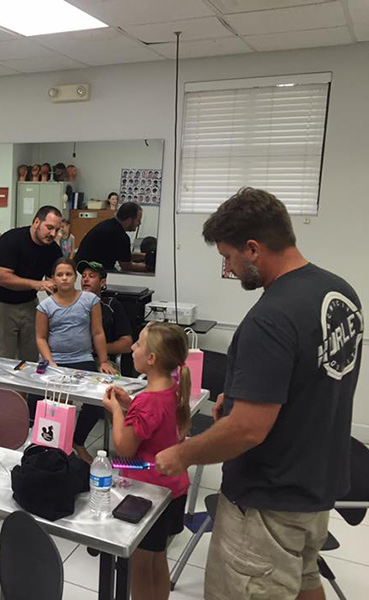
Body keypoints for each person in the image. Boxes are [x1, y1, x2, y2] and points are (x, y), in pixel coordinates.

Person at [154, 187, 363, 600]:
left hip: (268, 500)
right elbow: (313, 379)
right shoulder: (340, 293)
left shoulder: (270, 317)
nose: (228, 270)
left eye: (228, 258)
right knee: (304, 578)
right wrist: (236, 398)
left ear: (253, 248)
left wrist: (182, 453)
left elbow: (248, 430)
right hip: (317, 487)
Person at [103, 322, 191, 600]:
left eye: (138, 344)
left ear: (151, 359)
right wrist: (130, 404)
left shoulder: (148, 401)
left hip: (149, 494)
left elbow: (125, 447)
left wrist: (116, 411)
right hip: (174, 488)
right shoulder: (173, 388)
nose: (132, 347)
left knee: (140, 564)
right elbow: (155, 424)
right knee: (158, 558)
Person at [0, 205, 62, 361]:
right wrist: (38, 284)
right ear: (37, 222)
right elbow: (3, 278)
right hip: (0, 304)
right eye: (49, 227)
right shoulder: (11, 240)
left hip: (28, 303)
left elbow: (52, 281)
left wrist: (61, 298)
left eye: (57, 230)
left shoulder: (53, 250)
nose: (53, 234)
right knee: (1, 357)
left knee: (30, 355)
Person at [73, 260, 134, 463]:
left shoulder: (111, 305)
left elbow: (127, 344)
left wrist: (99, 350)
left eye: (92, 275)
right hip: (71, 359)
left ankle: (77, 441)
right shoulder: (70, 302)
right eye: (83, 275)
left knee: (102, 392)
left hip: (101, 362)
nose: (86, 279)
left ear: (103, 281)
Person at [35, 258, 115, 375]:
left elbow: (98, 332)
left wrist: (103, 362)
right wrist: (50, 362)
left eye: (69, 274)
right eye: (59, 275)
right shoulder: (44, 306)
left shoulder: (90, 300)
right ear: (53, 279)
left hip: (83, 359)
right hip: (55, 360)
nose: (64, 278)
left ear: (75, 277)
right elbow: (40, 338)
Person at [73, 202, 147, 273]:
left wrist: (145, 256)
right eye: (138, 221)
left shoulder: (110, 225)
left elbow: (124, 255)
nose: (139, 224)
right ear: (129, 220)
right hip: (87, 272)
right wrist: (149, 268)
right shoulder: (119, 236)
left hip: (79, 267)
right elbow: (127, 267)